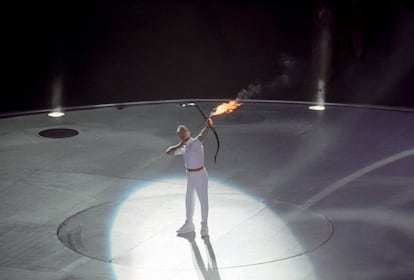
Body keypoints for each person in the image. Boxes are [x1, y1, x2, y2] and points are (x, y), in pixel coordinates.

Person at [165, 118, 213, 238]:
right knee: (189, 199)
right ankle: (189, 224)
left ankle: (204, 226)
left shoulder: (196, 142)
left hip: (200, 175)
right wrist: (180, 145)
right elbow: (168, 152)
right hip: (190, 176)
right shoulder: (183, 147)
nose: (181, 134)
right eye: (179, 133)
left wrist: (207, 126)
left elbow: (202, 135)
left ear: (188, 132)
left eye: (183, 132)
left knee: (203, 200)